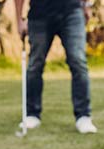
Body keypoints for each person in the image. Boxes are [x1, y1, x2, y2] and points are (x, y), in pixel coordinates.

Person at [15, 0, 97, 134]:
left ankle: (83, 116)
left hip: (72, 11)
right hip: (39, 14)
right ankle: (32, 114)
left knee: (78, 61)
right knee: (35, 64)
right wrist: (19, 20)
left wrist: (87, 5)